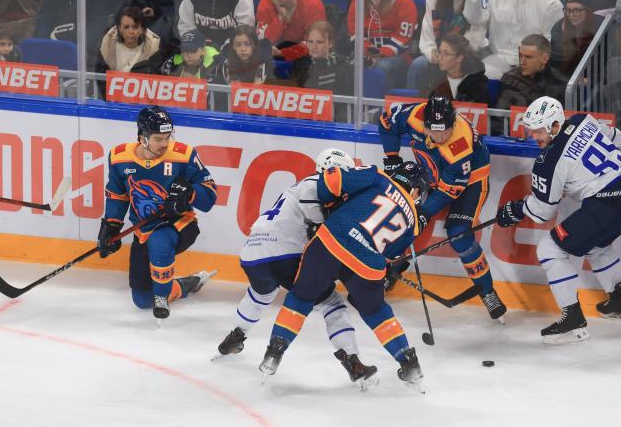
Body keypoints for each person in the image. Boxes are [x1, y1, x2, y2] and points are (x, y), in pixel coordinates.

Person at [258, 161, 432, 391]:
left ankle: (274, 352)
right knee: (376, 311)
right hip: (367, 265)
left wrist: (330, 208)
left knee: (301, 297)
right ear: (417, 189)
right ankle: (409, 364)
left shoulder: (378, 177)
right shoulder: (413, 223)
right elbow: (390, 255)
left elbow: (331, 180)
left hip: (331, 243)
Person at [217, 148, 379, 389]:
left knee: (260, 295)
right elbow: (322, 228)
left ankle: (235, 337)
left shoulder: (296, 187)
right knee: (332, 303)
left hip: (253, 252)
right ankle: (352, 362)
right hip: (286, 254)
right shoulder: (315, 185)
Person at [496, 96, 621, 343]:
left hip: (609, 203)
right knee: (596, 246)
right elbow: (620, 140)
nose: (534, 136)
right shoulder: (582, 120)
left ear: (555, 125)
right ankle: (619, 301)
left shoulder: (549, 160)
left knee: (549, 249)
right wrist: (590, 176)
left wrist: (517, 209)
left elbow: (543, 211)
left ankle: (573, 319)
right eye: (531, 130)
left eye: (538, 131)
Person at [378, 95, 507, 320]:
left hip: (471, 182)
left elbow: (448, 191)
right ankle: (394, 267)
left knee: (459, 235)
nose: (438, 137)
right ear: (425, 123)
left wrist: (423, 213)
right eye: (432, 131)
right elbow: (386, 123)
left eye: (443, 132)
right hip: (432, 171)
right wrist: (392, 158)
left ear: (453, 124)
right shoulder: (414, 115)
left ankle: (487, 292)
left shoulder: (460, 144)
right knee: (404, 218)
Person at [97, 105, 218, 319]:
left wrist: (190, 192)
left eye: (167, 137)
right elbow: (118, 195)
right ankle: (185, 284)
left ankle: (162, 297)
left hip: (180, 224)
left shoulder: (184, 155)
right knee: (142, 299)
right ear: (142, 138)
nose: (165, 144)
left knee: (159, 240)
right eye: (158, 139)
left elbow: (210, 195)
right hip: (143, 229)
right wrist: (111, 226)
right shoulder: (119, 157)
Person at [407, 0, 487, 94]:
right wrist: (432, 52)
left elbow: (477, 33)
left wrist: (453, 55)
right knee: (418, 65)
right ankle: (414, 106)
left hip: (467, 53)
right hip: (440, 52)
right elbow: (428, 30)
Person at [347, 0, 417, 96]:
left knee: (380, 67)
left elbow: (403, 38)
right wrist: (368, 52)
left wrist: (381, 53)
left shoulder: (403, 1)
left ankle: (378, 106)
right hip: (367, 52)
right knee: (349, 66)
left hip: (399, 56)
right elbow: (354, 31)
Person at [256, 0, 326, 65]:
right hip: (272, 62)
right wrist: (280, 18)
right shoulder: (265, 4)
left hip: (307, 63)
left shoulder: (313, 5)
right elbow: (263, 44)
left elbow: (315, 46)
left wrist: (283, 54)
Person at [496, 35, 570, 111]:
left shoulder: (561, 86)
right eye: (520, 56)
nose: (522, 62)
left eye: (528, 57)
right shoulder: (509, 78)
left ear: (545, 58)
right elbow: (498, 115)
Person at [95, 6, 164, 76]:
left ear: (143, 29)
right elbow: (100, 76)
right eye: (126, 27)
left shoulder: (153, 49)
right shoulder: (108, 45)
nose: (131, 32)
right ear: (119, 28)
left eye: (135, 27)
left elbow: (155, 77)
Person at [550, 0, 604, 76]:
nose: (571, 15)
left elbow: (605, 60)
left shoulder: (602, 27)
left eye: (577, 10)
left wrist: (590, 79)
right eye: (568, 10)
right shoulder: (558, 29)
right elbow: (555, 62)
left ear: (587, 10)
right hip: (566, 78)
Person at [428, 33, 489, 104]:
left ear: (459, 58)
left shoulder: (476, 85)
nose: (440, 57)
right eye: (439, 52)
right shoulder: (433, 80)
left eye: (446, 54)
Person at [301, 21, 353, 94]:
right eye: (310, 41)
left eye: (319, 42)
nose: (314, 46)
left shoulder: (341, 66)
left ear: (330, 43)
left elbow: (344, 98)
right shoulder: (302, 65)